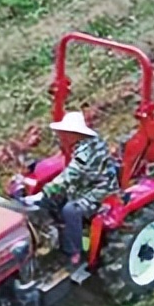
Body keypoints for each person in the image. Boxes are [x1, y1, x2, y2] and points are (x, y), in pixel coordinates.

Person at [24, 110, 118, 267]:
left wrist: (43, 194)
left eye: (65, 133)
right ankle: (48, 235)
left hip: (100, 189)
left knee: (70, 210)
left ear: (75, 133)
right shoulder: (80, 145)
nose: (62, 136)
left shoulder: (87, 152)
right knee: (51, 201)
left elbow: (71, 174)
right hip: (84, 184)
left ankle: (73, 251)